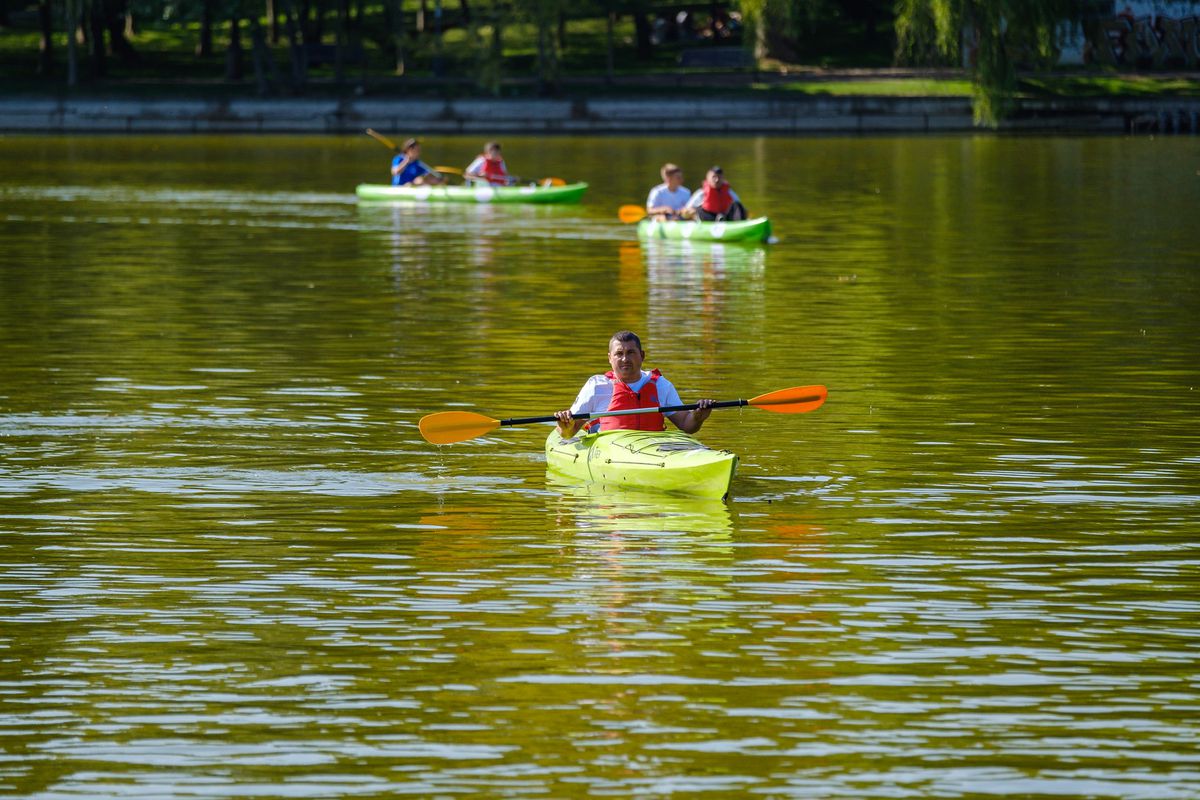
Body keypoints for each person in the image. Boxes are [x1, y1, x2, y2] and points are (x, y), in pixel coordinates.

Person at [555, 331, 714, 438]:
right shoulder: (596, 386)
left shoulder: (660, 385)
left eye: (631, 352)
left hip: (653, 447)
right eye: (619, 354)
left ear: (642, 355)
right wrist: (565, 426)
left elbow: (687, 426)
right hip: (610, 451)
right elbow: (569, 432)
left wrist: (697, 417)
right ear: (610, 358)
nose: (625, 359)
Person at [683, 165, 747, 221]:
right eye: (714, 177)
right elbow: (686, 210)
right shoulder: (701, 193)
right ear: (708, 178)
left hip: (725, 217)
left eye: (719, 177)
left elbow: (741, 208)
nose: (717, 180)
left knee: (737, 204)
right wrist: (690, 212)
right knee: (698, 209)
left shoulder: (729, 192)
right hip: (708, 218)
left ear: (723, 178)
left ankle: (740, 225)